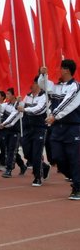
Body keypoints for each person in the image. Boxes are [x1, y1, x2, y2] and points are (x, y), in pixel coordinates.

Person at [40, 60, 80, 200]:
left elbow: (68, 103)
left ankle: (77, 187)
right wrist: (43, 75)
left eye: (61, 68)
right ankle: (75, 177)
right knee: (57, 158)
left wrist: (54, 116)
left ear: (67, 70)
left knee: (74, 158)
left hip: (72, 128)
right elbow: (44, 86)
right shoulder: (56, 87)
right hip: (57, 129)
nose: (58, 70)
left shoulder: (75, 87)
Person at [18, 77, 51, 187]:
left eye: (32, 83)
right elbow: (19, 108)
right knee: (27, 152)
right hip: (28, 128)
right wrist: (19, 103)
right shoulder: (27, 96)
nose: (30, 86)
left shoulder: (44, 96)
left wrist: (25, 109)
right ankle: (44, 166)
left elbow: (39, 110)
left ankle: (37, 177)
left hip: (39, 128)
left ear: (38, 84)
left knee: (37, 153)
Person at [0, 88, 27, 178]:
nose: (7, 96)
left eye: (9, 94)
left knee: (11, 150)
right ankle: (22, 165)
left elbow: (15, 114)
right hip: (6, 130)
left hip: (15, 130)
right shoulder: (6, 104)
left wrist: (4, 124)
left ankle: (9, 169)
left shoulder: (19, 104)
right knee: (10, 149)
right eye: (6, 94)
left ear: (14, 95)